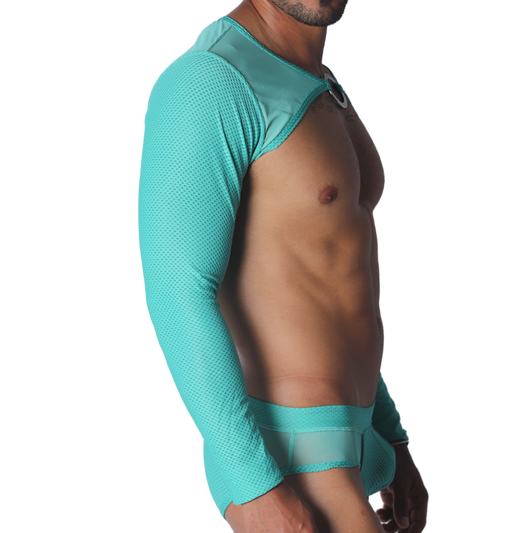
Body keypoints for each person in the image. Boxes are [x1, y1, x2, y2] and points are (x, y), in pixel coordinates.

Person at [135, 1, 431, 532]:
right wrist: (255, 487)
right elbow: (176, 290)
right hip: (290, 459)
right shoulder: (210, 79)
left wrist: (393, 436)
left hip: (358, 442)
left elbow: (337, 282)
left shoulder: (320, 77)